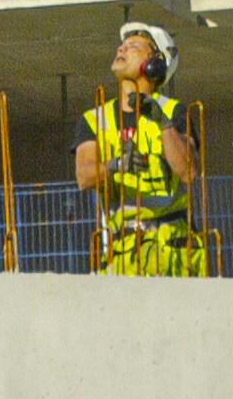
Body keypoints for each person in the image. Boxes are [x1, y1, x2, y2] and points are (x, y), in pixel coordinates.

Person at [77, 20, 205, 275]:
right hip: (125, 255)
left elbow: (189, 171)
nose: (121, 49)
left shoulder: (173, 112)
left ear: (156, 63)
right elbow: (84, 176)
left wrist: (163, 124)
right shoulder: (95, 119)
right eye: (122, 45)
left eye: (133, 46)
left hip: (175, 256)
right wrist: (115, 165)